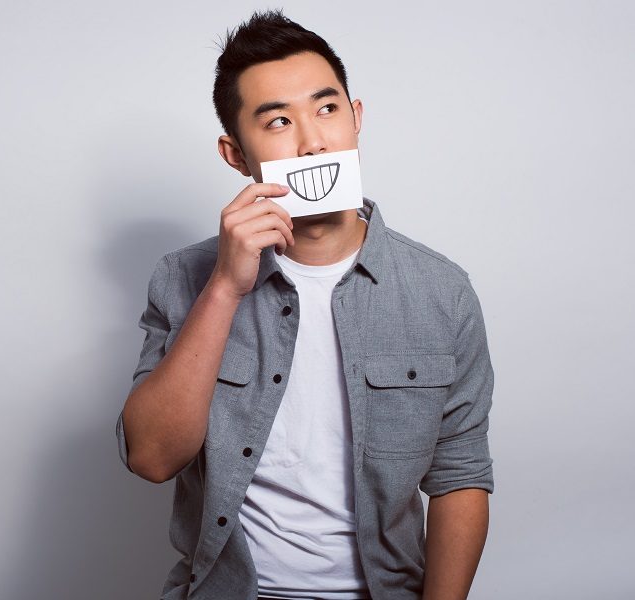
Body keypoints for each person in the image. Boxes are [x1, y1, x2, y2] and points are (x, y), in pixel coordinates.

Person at [116, 10, 494, 600]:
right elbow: (152, 457)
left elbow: (460, 476)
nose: (313, 140)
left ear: (356, 118)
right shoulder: (183, 278)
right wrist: (224, 288)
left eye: (327, 109)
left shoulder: (442, 292)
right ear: (235, 154)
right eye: (278, 121)